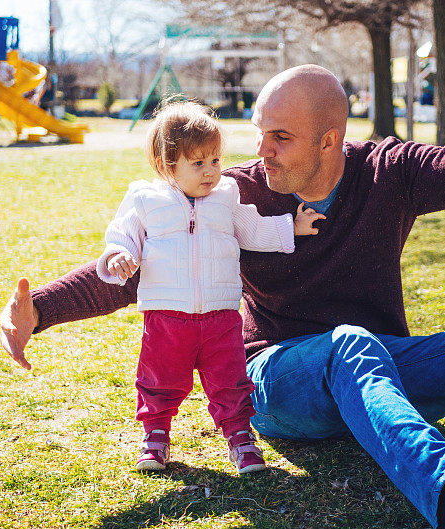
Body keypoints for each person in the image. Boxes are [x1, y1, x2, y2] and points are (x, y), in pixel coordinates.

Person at [0, 50, 445, 529]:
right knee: (350, 345)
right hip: (282, 382)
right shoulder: (235, 195)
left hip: (377, 366)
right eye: (259, 133)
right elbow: (138, 267)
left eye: (279, 136)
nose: (260, 152)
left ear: (330, 140)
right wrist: (40, 310)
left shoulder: (390, 173)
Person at [98, 101, 323, 473]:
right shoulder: (144, 199)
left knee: (230, 380)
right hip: (166, 316)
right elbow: (120, 237)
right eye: (198, 163)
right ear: (169, 165)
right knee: (160, 379)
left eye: (215, 161)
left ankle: (240, 438)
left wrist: (291, 228)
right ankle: (155, 435)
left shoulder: (226, 196)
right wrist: (118, 257)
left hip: (220, 316)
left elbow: (251, 229)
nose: (211, 172)